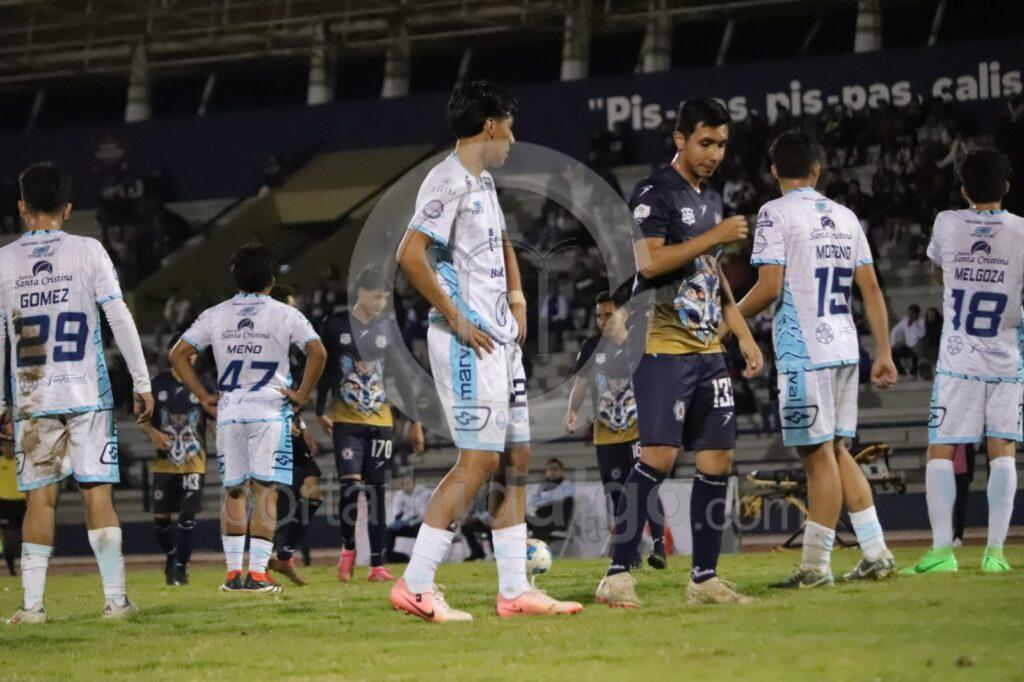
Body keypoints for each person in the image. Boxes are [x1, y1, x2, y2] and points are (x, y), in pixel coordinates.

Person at [392, 80, 582, 622]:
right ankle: (415, 584)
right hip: (465, 341)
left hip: (500, 339)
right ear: (491, 125)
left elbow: (501, 242)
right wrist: (457, 318)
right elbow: (410, 254)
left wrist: (517, 298)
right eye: (510, 128)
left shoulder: (483, 180)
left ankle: (515, 590)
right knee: (478, 459)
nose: (513, 140)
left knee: (516, 457)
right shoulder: (446, 179)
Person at [594, 99, 763, 609]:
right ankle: (617, 573)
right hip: (661, 345)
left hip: (708, 348)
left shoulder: (710, 197)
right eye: (705, 142)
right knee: (659, 457)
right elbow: (648, 263)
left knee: (718, 458)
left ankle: (704, 579)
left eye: (722, 144)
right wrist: (716, 235)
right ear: (680, 139)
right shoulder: (654, 192)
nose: (715, 153)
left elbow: (711, 273)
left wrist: (742, 332)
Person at [736, 130, 898, 587]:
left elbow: (769, 287)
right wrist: (883, 351)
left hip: (804, 349)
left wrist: (730, 319)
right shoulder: (846, 216)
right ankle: (876, 552)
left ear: (774, 170)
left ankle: (814, 567)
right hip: (845, 346)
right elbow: (871, 289)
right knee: (836, 450)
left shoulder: (775, 213)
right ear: (816, 169)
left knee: (815, 456)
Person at [1, 162, 154, 624]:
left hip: (33, 398)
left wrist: (1, 402)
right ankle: (115, 601)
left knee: (39, 501)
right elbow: (119, 316)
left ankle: (32, 607)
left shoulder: (4, 261)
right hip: (88, 392)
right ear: (68, 208)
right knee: (97, 494)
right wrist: (142, 381)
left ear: (22, 207)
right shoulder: (88, 251)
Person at [169, 243, 326, 594]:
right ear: (271, 279)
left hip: (230, 411)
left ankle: (232, 576)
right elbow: (318, 352)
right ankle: (256, 575)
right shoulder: (285, 314)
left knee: (235, 492)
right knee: (265, 492)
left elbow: (178, 355)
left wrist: (203, 395)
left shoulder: (215, 314)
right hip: (269, 411)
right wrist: (302, 394)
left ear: (235, 276)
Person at [903, 148, 1022, 575]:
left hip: (958, 358)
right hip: (1007, 356)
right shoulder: (1022, 230)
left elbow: (939, 271)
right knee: (1002, 447)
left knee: (942, 447)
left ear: (964, 189)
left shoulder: (947, 223)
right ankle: (995, 554)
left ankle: (942, 551)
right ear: (1006, 185)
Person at [316, 267, 425, 583]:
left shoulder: (387, 329)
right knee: (351, 489)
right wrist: (320, 409)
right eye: (377, 297)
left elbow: (402, 377)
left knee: (377, 494)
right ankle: (348, 548)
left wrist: (415, 421)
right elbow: (325, 370)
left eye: (384, 298)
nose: (381, 303)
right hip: (346, 422)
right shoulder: (334, 325)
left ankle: (377, 565)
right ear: (360, 293)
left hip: (381, 424)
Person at [565, 289, 667, 568]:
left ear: (623, 314)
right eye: (599, 316)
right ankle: (630, 553)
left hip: (637, 431)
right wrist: (572, 410)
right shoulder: (591, 347)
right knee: (616, 494)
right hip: (605, 434)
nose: (602, 321)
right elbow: (581, 384)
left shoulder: (638, 343)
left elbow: (656, 376)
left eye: (608, 315)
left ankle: (659, 545)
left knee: (646, 489)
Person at [141, 336, 214, 586]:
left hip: (195, 461)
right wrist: (153, 434)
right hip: (165, 462)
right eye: (187, 351)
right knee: (161, 516)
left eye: (194, 352)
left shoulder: (205, 384)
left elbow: (214, 418)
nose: (191, 356)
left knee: (187, 515)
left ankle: (181, 568)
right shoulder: (157, 384)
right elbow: (142, 416)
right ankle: (172, 557)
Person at [268, 285, 324, 585]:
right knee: (279, 499)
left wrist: (302, 426)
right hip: (273, 428)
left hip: (292, 426)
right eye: (290, 306)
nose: (295, 312)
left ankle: (283, 555)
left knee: (313, 495)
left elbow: (293, 393)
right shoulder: (267, 344)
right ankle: (261, 563)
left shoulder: (290, 347)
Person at [525, 458, 575, 543]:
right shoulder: (544, 486)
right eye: (549, 469)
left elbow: (561, 500)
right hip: (542, 519)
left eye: (555, 469)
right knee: (521, 521)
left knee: (539, 524)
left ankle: (536, 547)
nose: (552, 472)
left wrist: (544, 498)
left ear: (561, 471)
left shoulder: (567, 486)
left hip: (558, 521)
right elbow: (534, 502)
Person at [387, 475, 430, 563]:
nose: (407, 486)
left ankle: (422, 558)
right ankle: (390, 557)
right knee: (389, 530)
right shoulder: (399, 495)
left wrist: (408, 520)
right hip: (405, 524)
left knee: (422, 530)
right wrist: (401, 520)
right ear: (402, 486)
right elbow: (396, 513)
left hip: (418, 524)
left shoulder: (422, 494)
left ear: (414, 484)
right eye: (405, 484)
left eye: (409, 483)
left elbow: (422, 514)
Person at [1, 434, 26, 577]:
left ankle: (29, 568)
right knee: (8, 539)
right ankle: (11, 570)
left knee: (27, 537)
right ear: (2, 448)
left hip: (22, 503)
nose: (8, 449)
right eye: (6, 446)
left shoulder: (21, 463)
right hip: (5, 504)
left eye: (11, 446)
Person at [890, 304, 925, 377]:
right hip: (908, 347)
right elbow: (894, 331)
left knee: (917, 351)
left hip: (919, 347)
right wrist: (894, 344)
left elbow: (922, 335)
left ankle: (913, 373)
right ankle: (901, 372)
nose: (910, 315)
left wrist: (914, 324)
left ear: (917, 314)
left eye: (912, 313)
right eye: (909, 313)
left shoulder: (922, 322)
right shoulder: (905, 321)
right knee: (893, 351)